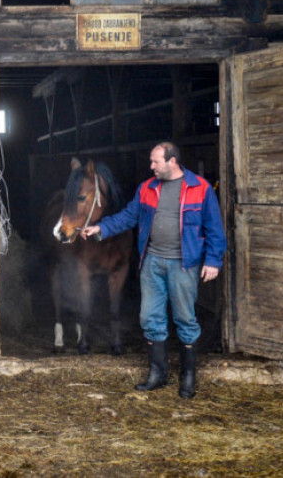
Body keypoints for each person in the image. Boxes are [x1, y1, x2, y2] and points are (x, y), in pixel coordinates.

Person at [80, 142, 226, 399]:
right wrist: (100, 228)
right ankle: (157, 374)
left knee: (185, 318)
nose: (151, 167)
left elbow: (214, 227)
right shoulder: (147, 188)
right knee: (150, 317)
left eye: (155, 162)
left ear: (172, 161)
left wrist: (213, 260)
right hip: (152, 262)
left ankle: (188, 376)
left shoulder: (200, 188)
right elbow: (128, 216)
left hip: (183, 264)